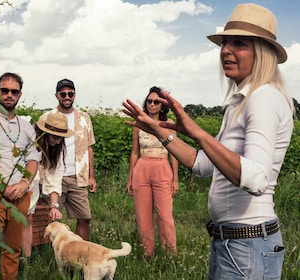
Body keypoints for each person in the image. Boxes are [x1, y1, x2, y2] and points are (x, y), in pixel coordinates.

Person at [122, 4, 294, 279]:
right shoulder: (241, 102)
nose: (226, 50)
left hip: (247, 246)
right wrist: (157, 131)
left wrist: (199, 132)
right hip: (231, 242)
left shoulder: (263, 98)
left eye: (239, 43)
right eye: (225, 43)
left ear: (264, 53)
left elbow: (257, 179)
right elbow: (202, 164)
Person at [0, 72, 41, 280]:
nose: (9, 95)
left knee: (12, 249)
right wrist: (1, 185)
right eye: (5, 90)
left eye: (14, 91)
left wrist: (25, 182)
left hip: (20, 194)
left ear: (20, 95)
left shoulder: (27, 127)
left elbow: (33, 159)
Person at [126, 86, 179, 259]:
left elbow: (175, 152)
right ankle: (148, 254)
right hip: (142, 167)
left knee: (165, 216)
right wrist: (130, 178)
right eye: (149, 101)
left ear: (163, 105)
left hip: (162, 168)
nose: (152, 104)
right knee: (143, 216)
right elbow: (134, 152)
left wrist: (175, 179)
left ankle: (170, 255)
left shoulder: (169, 124)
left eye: (156, 101)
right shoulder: (139, 123)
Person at [42, 78, 97, 241]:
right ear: (56, 95)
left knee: (85, 217)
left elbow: (89, 147)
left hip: (77, 176)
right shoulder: (48, 117)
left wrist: (91, 176)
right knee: (52, 218)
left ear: (74, 95)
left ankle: (82, 251)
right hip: (53, 174)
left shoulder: (84, 118)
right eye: (63, 94)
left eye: (70, 93)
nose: (67, 96)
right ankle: (55, 255)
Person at [21, 112, 73, 256]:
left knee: (28, 218)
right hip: (19, 179)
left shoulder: (55, 148)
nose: (58, 141)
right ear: (44, 134)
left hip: (34, 183)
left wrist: (54, 206)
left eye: (60, 138)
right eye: (55, 137)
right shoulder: (28, 142)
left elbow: (54, 176)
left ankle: (26, 258)